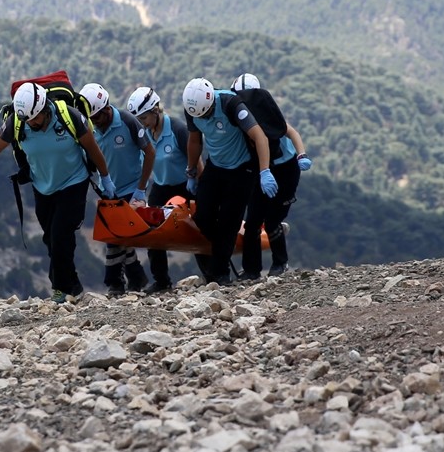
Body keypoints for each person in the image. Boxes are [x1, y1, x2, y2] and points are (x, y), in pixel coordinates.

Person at [0, 82, 116, 302]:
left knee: (60, 235)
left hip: (74, 182)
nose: (31, 123)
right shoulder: (17, 122)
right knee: (51, 240)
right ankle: (73, 285)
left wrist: (105, 177)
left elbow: (92, 147)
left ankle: (60, 292)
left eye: (35, 118)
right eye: (27, 120)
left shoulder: (70, 117)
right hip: (42, 186)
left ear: (45, 107)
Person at [181, 77, 277, 287]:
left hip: (243, 169)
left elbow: (259, 136)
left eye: (206, 114)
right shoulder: (192, 109)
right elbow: (195, 140)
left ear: (210, 103)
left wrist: (264, 171)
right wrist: (191, 171)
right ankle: (225, 246)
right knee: (203, 217)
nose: (204, 118)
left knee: (228, 221)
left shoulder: (230, 104)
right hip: (216, 166)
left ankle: (220, 275)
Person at [230, 73, 312, 279]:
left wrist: (301, 155)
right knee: (253, 222)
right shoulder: (240, 118)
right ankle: (251, 270)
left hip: (285, 169)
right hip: (262, 170)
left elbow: (291, 132)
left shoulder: (269, 115)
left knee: (273, 219)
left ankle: (280, 263)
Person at [80, 82, 155, 296]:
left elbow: (149, 153)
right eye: (91, 119)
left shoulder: (127, 121)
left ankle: (114, 283)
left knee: (114, 238)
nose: (95, 122)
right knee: (119, 236)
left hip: (133, 187)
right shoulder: (90, 128)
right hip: (109, 189)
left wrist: (141, 190)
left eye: (98, 117)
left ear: (106, 108)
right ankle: (136, 277)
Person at [126, 86, 196, 293]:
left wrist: (197, 184)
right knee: (153, 233)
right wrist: (140, 190)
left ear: (156, 111)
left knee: (197, 228)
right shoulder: (145, 133)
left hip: (185, 184)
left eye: (144, 117)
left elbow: (196, 158)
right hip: (162, 187)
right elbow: (143, 162)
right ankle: (162, 281)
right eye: (139, 119)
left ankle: (213, 274)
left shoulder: (177, 129)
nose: (142, 123)